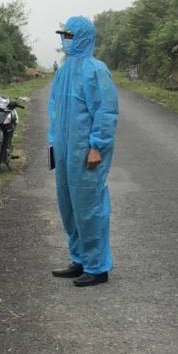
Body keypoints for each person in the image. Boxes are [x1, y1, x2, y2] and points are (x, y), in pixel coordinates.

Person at [47, 16, 119, 287]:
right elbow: (54, 108)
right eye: (63, 35)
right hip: (65, 150)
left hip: (86, 151)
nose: (65, 40)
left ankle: (97, 267)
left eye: (70, 36)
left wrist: (97, 146)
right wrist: (53, 141)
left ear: (82, 37)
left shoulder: (95, 69)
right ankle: (79, 259)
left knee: (89, 208)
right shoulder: (63, 70)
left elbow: (106, 110)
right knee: (69, 206)